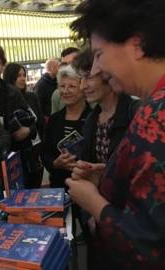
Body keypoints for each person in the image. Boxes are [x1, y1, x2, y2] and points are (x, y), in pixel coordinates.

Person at [66, 0, 165, 268]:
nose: (96, 70)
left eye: (98, 54)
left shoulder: (154, 116)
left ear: (136, 45)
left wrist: (94, 202)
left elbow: (148, 247)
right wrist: (112, 178)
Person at [72, 47, 141, 269]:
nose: (83, 86)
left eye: (88, 78)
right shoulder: (92, 120)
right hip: (100, 229)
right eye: (80, 79)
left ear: (108, 75)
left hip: (132, 231)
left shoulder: (136, 114)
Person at [43, 64, 91, 189]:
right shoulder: (54, 119)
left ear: (83, 88)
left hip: (87, 187)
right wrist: (55, 163)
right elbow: (45, 153)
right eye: (62, 86)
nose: (65, 91)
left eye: (71, 86)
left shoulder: (94, 119)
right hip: (59, 188)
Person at [3, 62, 45, 188]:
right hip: (16, 156)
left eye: (23, 75)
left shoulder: (31, 97)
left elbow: (40, 122)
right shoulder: (6, 101)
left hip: (35, 154)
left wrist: (30, 130)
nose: (22, 78)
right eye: (18, 76)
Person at [51, 47, 80, 114]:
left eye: (73, 64)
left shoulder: (91, 92)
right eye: (64, 65)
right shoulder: (57, 95)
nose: (67, 68)